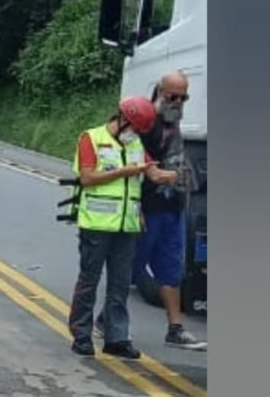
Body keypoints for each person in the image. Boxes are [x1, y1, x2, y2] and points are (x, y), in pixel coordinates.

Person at [96, 72, 206, 350]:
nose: (179, 102)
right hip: (147, 207)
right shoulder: (145, 121)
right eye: (173, 96)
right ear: (160, 91)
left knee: (171, 265)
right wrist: (137, 208)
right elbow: (128, 163)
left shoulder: (173, 119)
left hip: (172, 207)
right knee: (131, 266)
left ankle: (175, 328)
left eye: (184, 97)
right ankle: (104, 319)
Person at [67, 96, 177, 359]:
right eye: (135, 128)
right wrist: (124, 172)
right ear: (123, 119)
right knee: (89, 281)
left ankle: (116, 338)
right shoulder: (90, 139)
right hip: (96, 223)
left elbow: (151, 173)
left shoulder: (136, 143)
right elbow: (87, 177)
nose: (137, 134)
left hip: (127, 226)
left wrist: (170, 176)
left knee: (120, 285)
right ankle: (81, 335)